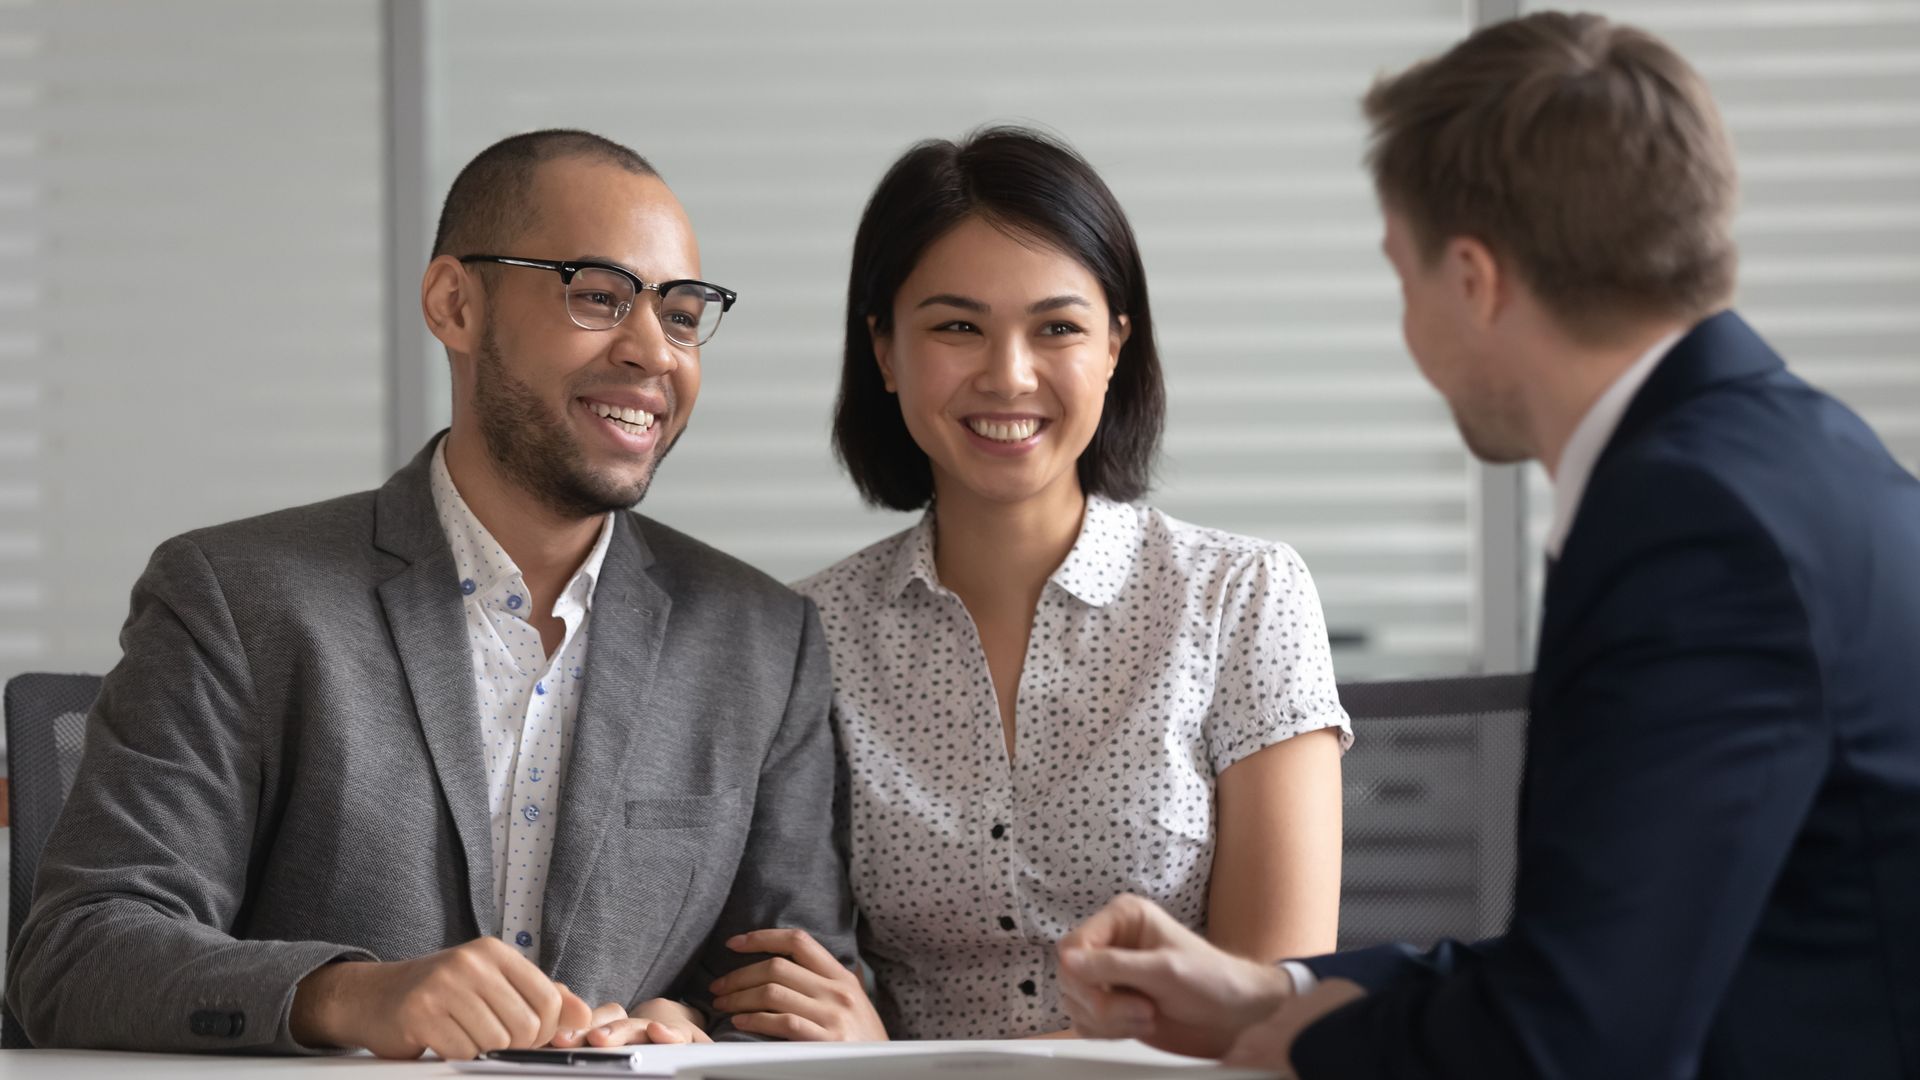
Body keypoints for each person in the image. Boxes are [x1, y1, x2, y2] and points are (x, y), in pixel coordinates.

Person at [1058, 12, 1920, 1078]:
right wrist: (1270, 993)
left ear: (1473, 279)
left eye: (1403, 276)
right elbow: (1621, 950)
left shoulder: (1696, 531)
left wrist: (1309, 1048)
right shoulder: (1792, 458)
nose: (1409, 322)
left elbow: (1582, 1038)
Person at [5, 129, 856, 1059]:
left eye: (684, 314)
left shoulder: (763, 644)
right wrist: (350, 998)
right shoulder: (236, 599)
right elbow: (77, 954)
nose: (654, 351)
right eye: (599, 296)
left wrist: (683, 1026)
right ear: (455, 303)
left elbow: (789, 995)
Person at [704, 127, 1349, 1042]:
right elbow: (789, 974)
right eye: (957, 327)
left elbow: (1267, 1013)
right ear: (885, 351)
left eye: (1058, 328)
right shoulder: (806, 633)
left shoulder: (1244, 599)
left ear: (1116, 346)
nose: (1009, 375)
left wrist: (903, 1067)